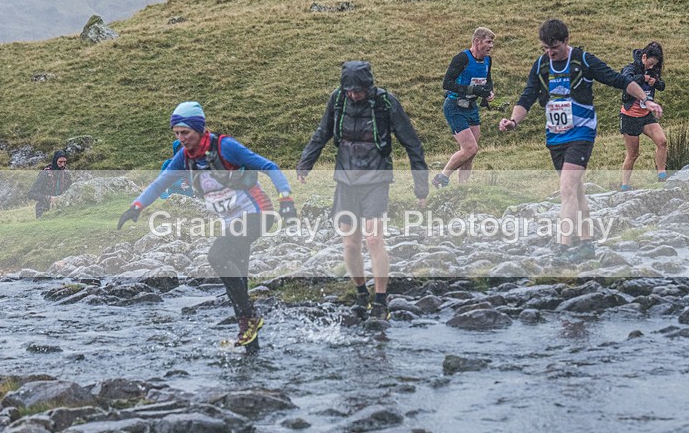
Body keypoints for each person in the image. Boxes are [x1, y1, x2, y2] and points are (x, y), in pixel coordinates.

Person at [117, 101, 296, 353]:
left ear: (199, 129)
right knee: (237, 283)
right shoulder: (184, 156)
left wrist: (285, 198)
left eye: (186, 133)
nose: (181, 139)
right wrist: (136, 207)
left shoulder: (225, 147)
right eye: (176, 134)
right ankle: (251, 346)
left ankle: (251, 316)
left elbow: (270, 167)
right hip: (231, 222)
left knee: (217, 256)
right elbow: (159, 184)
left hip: (257, 213)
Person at [499, 19, 663, 263]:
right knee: (576, 191)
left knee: (566, 189)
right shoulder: (541, 65)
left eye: (554, 48)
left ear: (565, 41)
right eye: (545, 48)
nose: (550, 53)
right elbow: (527, 96)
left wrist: (646, 100)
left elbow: (618, 79)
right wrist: (513, 121)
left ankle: (563, 248)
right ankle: (587, 244)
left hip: (582, 133)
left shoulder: (583, 60)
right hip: (555, 137)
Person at [296, 61, 429, 322]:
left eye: (358, 91)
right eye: (350, 91)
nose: (354, 95)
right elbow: (322, 132)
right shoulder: (338, 99)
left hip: (376, 178)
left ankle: (380, 301)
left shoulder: (386, 103)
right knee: (350, 242)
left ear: (369, 86)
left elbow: (411, 142)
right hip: (345, 179)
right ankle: (360, 293)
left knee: (373, 239)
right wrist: (305, 164)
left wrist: (420, 186)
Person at [432, 27, 495, 188]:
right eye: (488, 42)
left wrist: (489, 93)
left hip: (472, 108)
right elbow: (447, 84)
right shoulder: (462, 58)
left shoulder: (488, 60)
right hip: (455, 107)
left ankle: (463, 187)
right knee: (470, 148)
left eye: (492, 42)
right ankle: (441, 178)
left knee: (470, 153)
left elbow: (487, 80)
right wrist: (473, 90)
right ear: (477, 41)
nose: (491, 46)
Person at [619, 41, 667, 190]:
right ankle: (625, 186)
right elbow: (626, 81)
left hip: (646, 116)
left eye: (655, 65)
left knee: (662, 142)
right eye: (650, 63)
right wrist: (644, 78)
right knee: (633, 154)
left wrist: (655, 81)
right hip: (630, 116)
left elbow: (662, 86)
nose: (652, 67)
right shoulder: (631, 68)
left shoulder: (653, 70)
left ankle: (662, 177)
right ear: (644, 57)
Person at [28, 150, 72, 218]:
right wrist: (49, 198)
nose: (63, 165)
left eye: (65, 162)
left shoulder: (66, 175)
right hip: (44, 209)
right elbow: (31, 193)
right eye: (60, 162)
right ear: (55, 161)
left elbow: (70, 191)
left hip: (62, 209)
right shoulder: (45, 174)